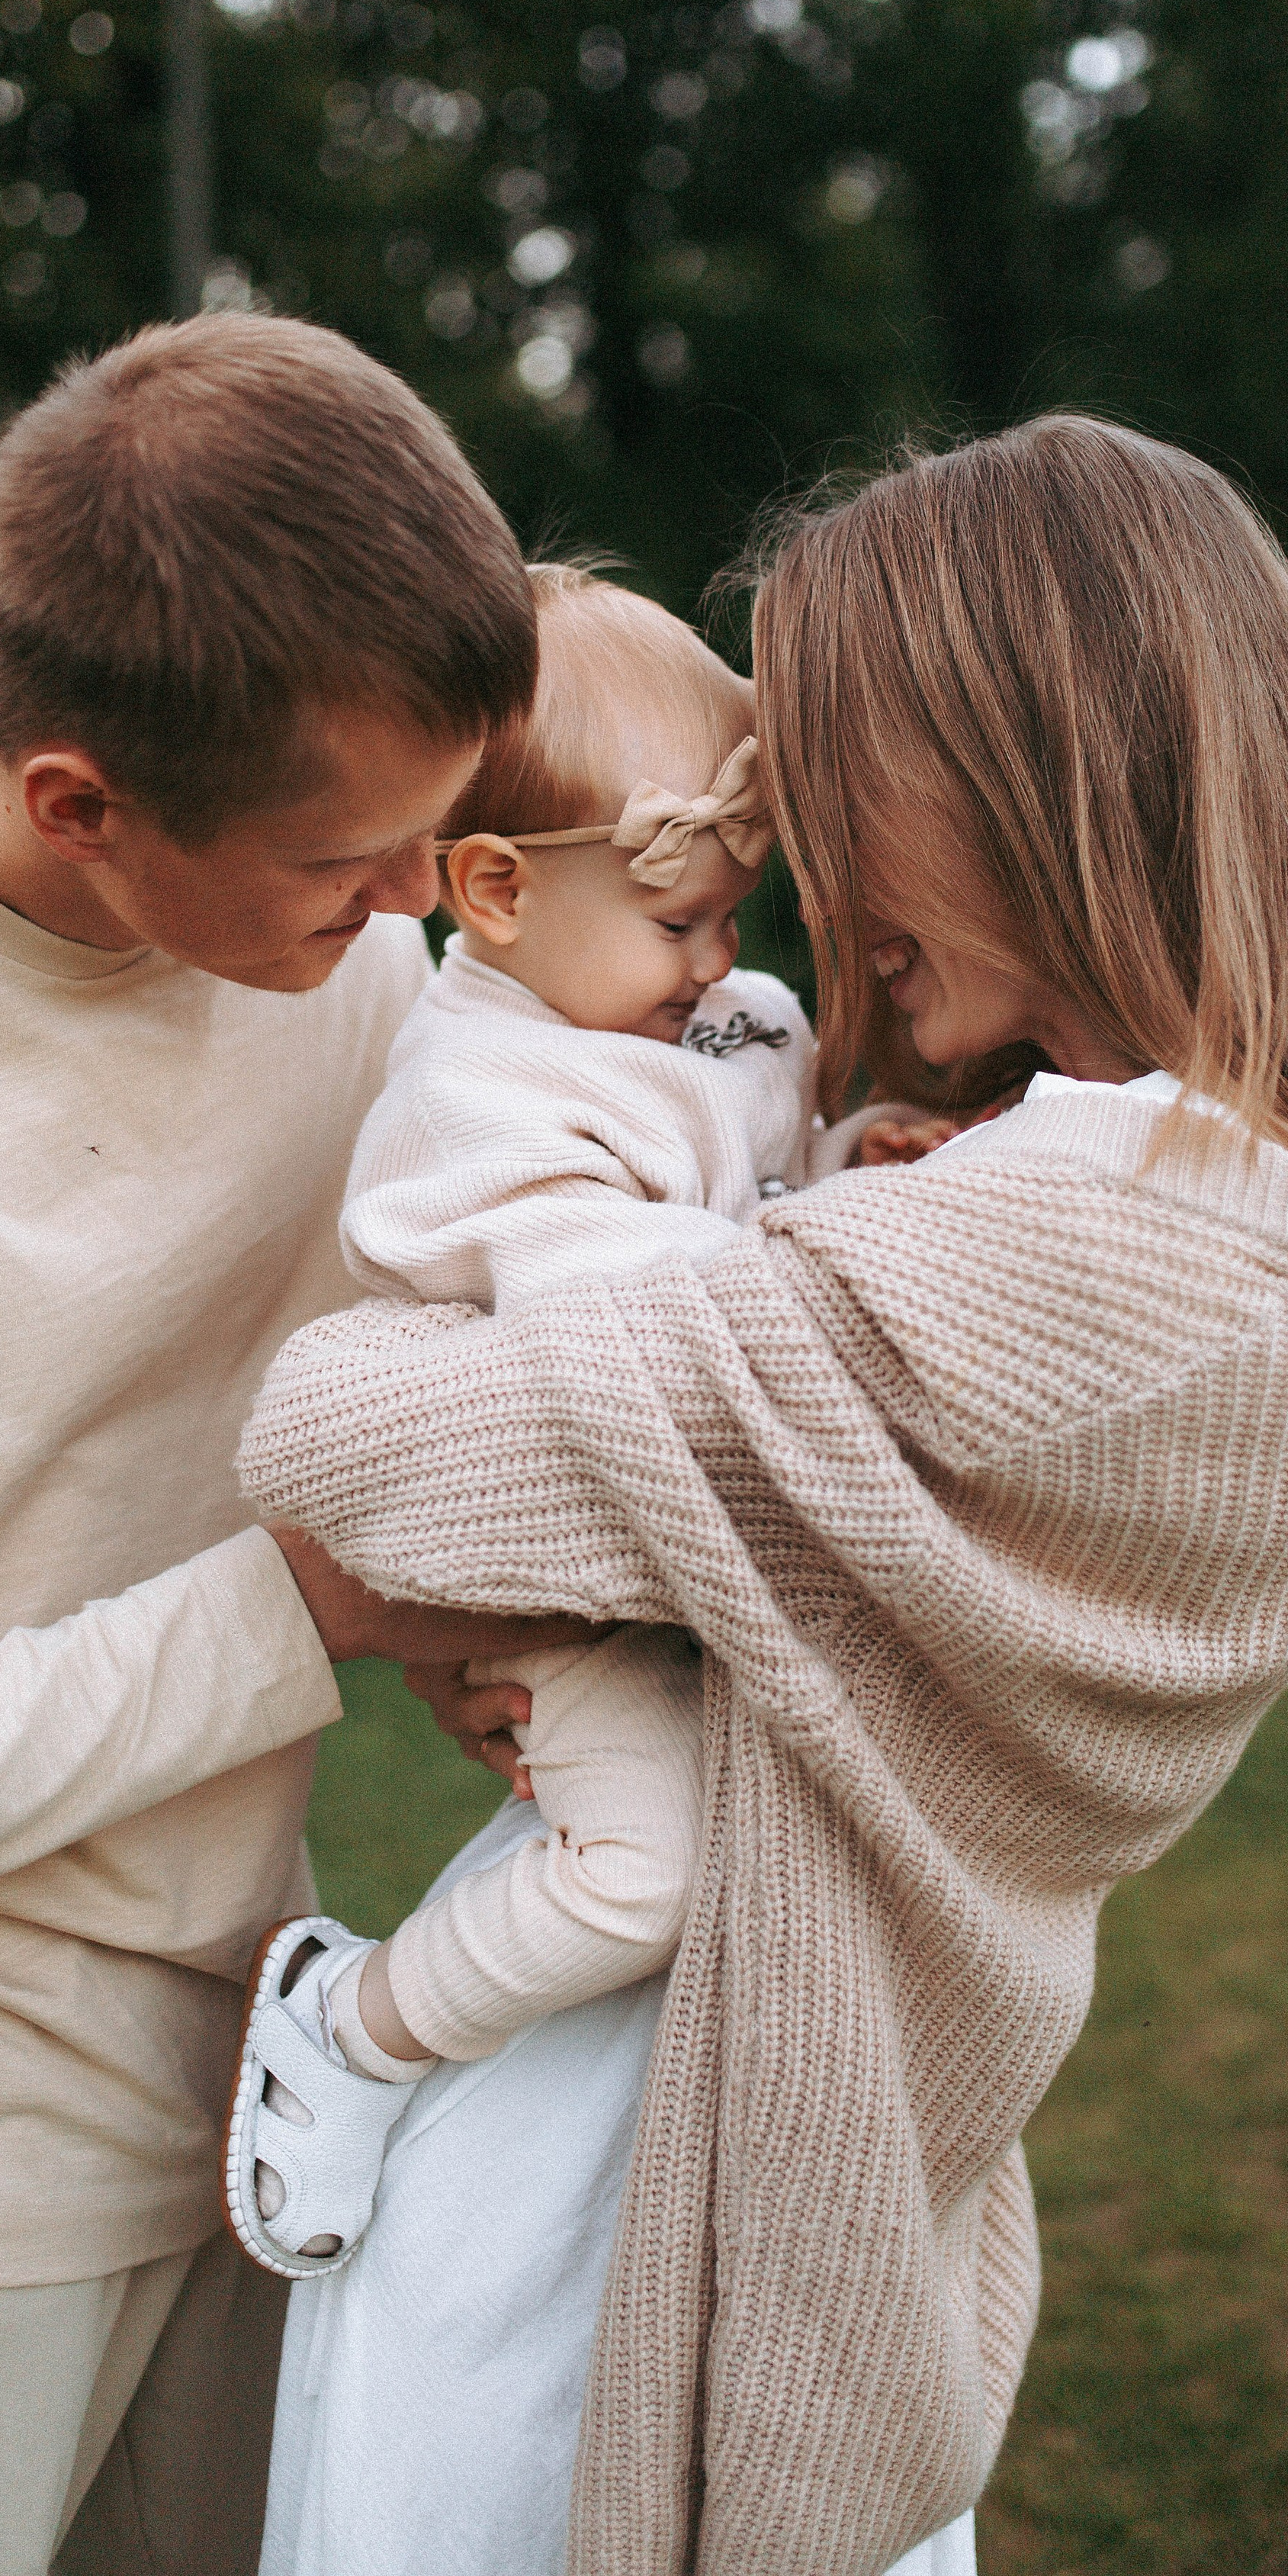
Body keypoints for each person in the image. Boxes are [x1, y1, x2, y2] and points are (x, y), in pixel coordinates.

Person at [239, 416, 1288, 2576]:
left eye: (843, 778)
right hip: (769, 2149)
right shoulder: (1224, 1202)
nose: (808, 864)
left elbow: (347, 1442)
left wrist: (491, 1403)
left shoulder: (1103, 1230)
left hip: (641, 2187)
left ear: (1032, 767)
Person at [0, 312, 572, 2576]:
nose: (406, 919)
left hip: (274, 2100)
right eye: (346, 863)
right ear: (78, 799)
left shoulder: (340, 945)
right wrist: (313, 1609)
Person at [223, 568, 946, 2282]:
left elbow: (752, 1186)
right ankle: (354, 2025)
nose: (721, 965)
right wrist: (826, 1244)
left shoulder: (696, 1016)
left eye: (728, 918)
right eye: (680, 922)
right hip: (561, 1564)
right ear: (490, 892)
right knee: (647, 1874)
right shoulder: (476, 1095)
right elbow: (636, 1320)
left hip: (677, 1546)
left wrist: (856, 1159)